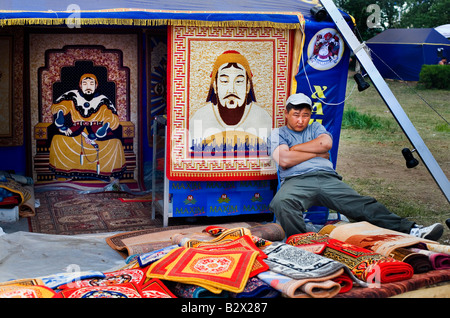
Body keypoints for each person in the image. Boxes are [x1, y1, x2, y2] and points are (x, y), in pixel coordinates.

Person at [268, 93, 444, 240]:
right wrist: (316, 153)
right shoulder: (278, 133)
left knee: (363, 204)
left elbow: (326, 143)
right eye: (296, 114)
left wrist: (296, 149)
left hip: (327, 178)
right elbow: (284, 159)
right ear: (286, 114)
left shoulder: (315, 127)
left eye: (305, 115)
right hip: (297, 180)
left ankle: (413, 230)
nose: (300, 120)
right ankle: (303, 243)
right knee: (281, 202)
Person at [49, 73, 126, 181]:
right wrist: (60, 115)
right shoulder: (72, 95)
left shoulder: (103, 100)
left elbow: (111, 118)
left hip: (96, 131)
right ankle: (65, 174)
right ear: (80, 85)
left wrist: (103, 128)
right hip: (76, 130)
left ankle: (108, 174)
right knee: (58, 140)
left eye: (91, 83)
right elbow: (60, 106)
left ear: (96, 85)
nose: (88, 86)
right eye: (85, 83)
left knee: (115, 144)